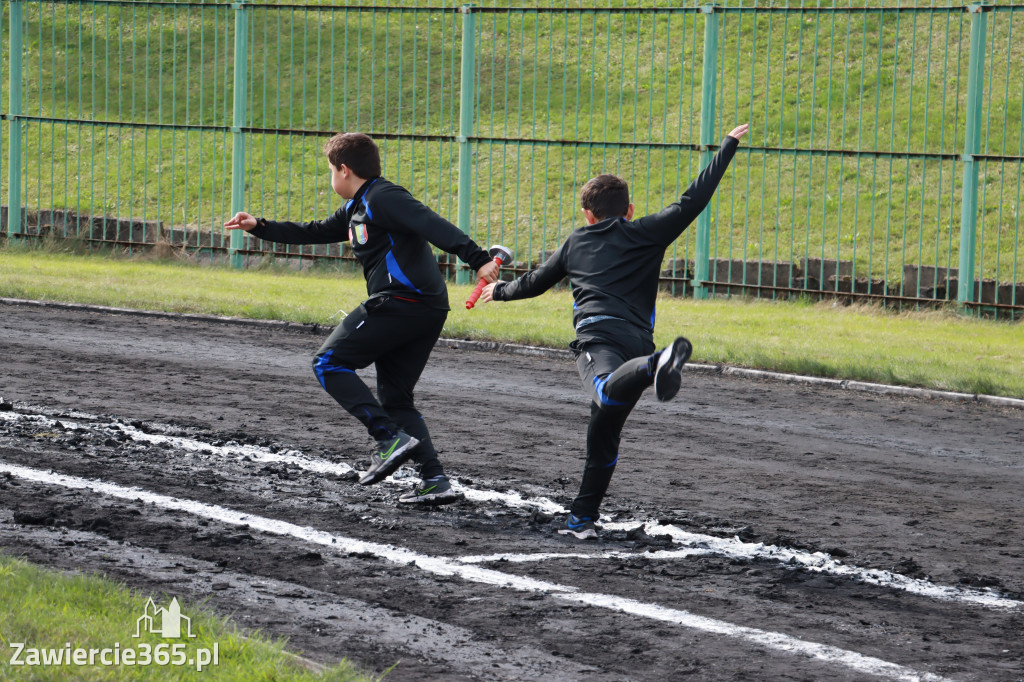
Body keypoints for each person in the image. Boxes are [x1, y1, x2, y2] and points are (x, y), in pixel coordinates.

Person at [480, 124, 749, 538]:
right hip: (637, 341)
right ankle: (581, 519)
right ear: (629, 209)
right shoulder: (647, 233)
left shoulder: (577, 241)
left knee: (604, 391)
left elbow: (533, 283)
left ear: (588, 215)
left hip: (600, 339)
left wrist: (499, 291)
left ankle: (657, 364)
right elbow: (694, 199)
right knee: (603, 434)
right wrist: (727, 147)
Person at [226, 132, 498, 504]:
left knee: (328, 362)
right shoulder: (359, 205)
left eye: (329, 171)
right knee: (396, 399)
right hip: (423, 307)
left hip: (404, 301)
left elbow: (431, 224)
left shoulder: (384, 197)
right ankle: (435, 481)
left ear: (343, 169)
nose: (330, 178)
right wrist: (259, 226)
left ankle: (387, 439)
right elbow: (317, 231)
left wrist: (477, 257)